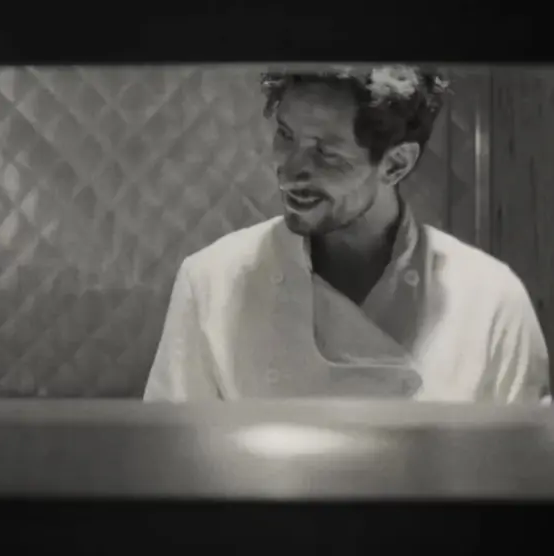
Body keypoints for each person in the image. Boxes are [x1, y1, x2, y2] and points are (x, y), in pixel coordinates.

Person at [144, 65, 551, 404]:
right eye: (285, 135)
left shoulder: (490, 301)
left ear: (395, 164)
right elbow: (171, 461)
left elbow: (523, 468)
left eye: (325, 152)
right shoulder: (211, 281)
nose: (289, 171)